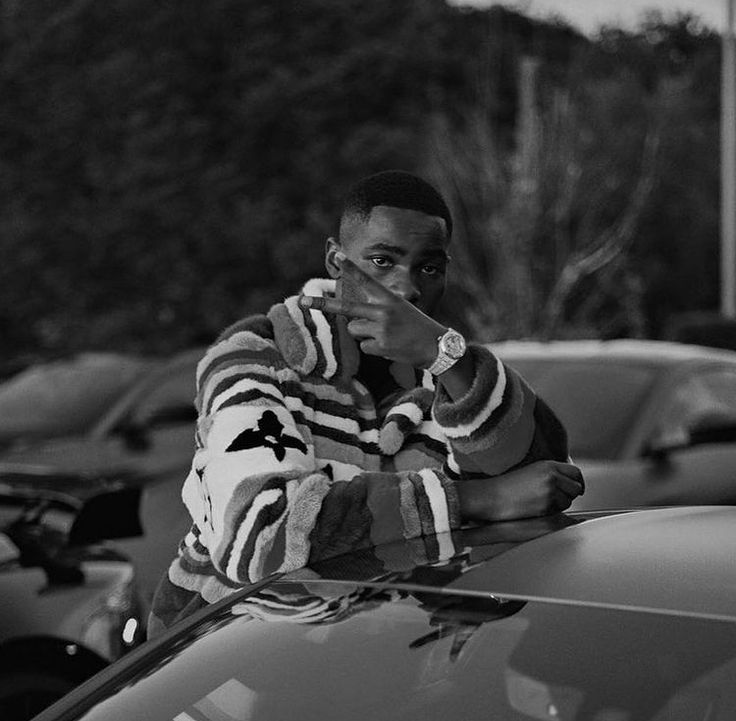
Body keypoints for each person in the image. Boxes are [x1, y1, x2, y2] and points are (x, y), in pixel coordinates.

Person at [148, 170, 584, 636]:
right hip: (216, 663)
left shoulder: (453, 379)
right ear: (337, 261)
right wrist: (479, 500)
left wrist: (446, 356)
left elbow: (544, 489)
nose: (408, 289)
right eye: (382, 261)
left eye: (429, 268)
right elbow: (263, 536)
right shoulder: (258, 354)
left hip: (376, 664)